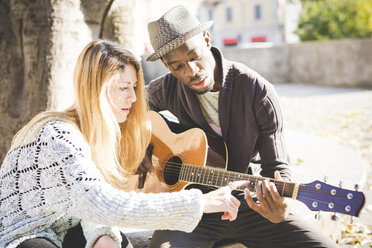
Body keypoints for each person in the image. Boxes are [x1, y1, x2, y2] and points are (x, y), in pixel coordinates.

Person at [0, 40, 247, 248]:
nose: (134, 97)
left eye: (135, 87)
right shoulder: (59, 137)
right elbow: (104, 202)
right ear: (95, 89)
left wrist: (102, 235)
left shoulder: (95, 134)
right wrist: (199, 202)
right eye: (123, 88)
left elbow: (88, 207)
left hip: (63, 231)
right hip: (23, 237)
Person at [145, 5, 339, 248]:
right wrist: (143, 152)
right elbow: (124, 114)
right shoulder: (164, 89)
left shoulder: (258, 91)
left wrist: (279, 207)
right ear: (166, 65)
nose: (191, 71)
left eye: (194, 57)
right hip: (193, 208)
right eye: (178, 67)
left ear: (206, 39)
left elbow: (276, 165)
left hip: (250, 203)